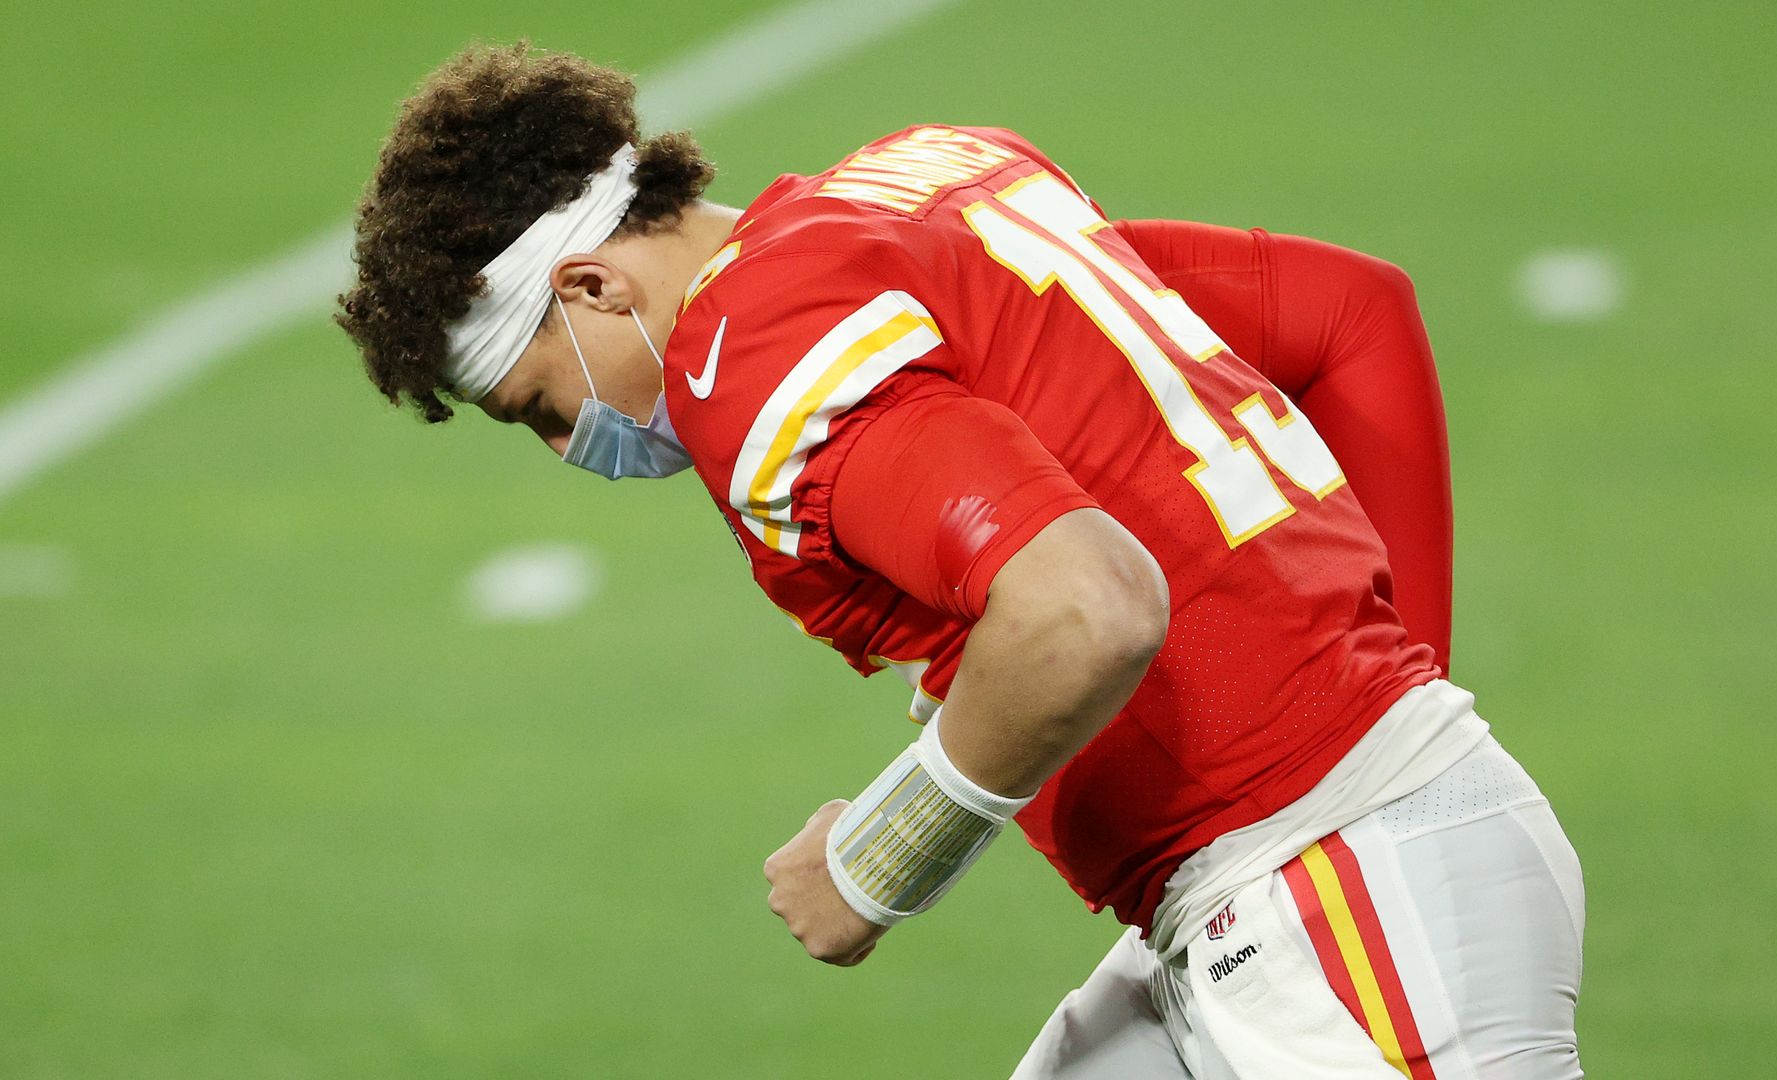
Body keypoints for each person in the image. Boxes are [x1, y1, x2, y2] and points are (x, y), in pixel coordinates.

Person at [336, 43, 1584, 1080]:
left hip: (1330, 893)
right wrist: (1400, 707)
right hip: (1290, 879)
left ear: (592, 284)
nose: (566, 448)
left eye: (538, 406)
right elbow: (1346, 314)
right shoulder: (913, 186)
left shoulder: (753, 359)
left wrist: (877, 862)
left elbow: (1085, 609)